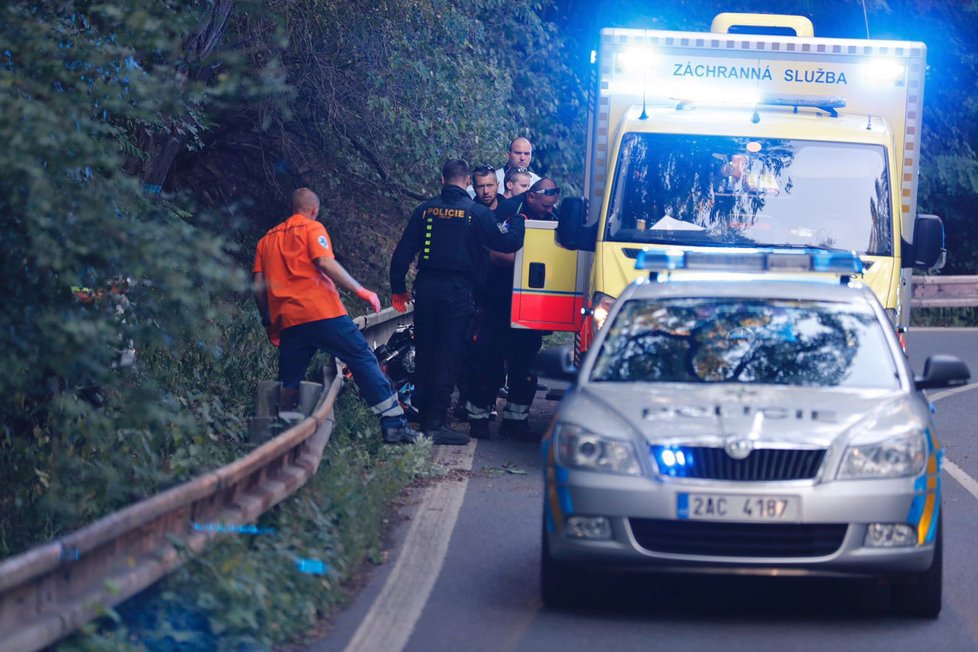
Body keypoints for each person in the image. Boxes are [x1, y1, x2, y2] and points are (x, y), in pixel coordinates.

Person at [253, 188, 419, 445]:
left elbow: (259, 285)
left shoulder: (267, 240)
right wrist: (362, 291)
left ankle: (283, 439)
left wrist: (269, 322)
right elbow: (324, 262)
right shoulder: (312, 228)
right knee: (361, 358)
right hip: (322, 313)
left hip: (289, 322)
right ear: (314, 210)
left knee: (289, 381)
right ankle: (393, 423)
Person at [390, 160, 526, 445]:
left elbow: (402, 253)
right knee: (448, 354)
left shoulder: (424, 210)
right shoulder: (476, 213)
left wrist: (398, 288)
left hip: (426, 290)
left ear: (442, 179)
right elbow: (508, 244)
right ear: (466, 182)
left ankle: (422, 414)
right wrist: (518, 222)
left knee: (426, 352)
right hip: (457, 292)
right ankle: (434, 423)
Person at [465, 178, 559, 439]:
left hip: (533, 304)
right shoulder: (508, 212)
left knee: (526, 364)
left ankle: (516, 420)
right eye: (545, 206)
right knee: (488, 360)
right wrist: (522, 262)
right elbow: (491, 251)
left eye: (552, 206)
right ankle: (478, 418)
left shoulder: (555, 216)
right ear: (531, 197)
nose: (549, 211)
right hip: (497, 298)